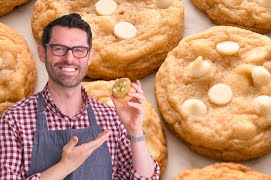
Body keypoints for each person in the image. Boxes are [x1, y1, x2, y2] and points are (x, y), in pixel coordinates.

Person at [0, 13, 159, 180]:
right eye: (59, 49)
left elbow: (144, 178)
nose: (69, 58)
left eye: (79, 50)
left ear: (90, 57)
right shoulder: (14, 120)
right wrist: (64, 167)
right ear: (42, 53)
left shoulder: (110, 118)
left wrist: (135, 131)